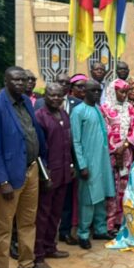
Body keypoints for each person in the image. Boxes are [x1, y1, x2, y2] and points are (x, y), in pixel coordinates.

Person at [0, 66, 50, 268]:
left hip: (31, 170)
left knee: (28, 222)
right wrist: (2, 181)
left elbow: (33, 133)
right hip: (9, 178)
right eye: (16, 80)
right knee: (4, 227)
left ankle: (26, 265)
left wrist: (42, 163)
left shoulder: (26, 101)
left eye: (23, 79)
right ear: (5, 81)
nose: (21, 83)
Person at [70, 80, 116, 249]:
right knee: (88, 198)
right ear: (85, 92)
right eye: (93, 91)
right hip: (88, 162)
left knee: (101, 195)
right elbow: (75, 140)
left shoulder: (97, 109)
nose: (96, 93)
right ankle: (83, 233)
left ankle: (100, 229)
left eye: (99, 91)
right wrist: (82, 165)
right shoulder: (78, 111)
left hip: (102, 160)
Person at [33, 83, 73, 268]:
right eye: (52, 95)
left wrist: (71, 166)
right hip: (48, 174)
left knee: (56, 213)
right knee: (43, 215)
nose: (56, 98)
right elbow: (39, 150)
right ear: (45, 96)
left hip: (63, 172)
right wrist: (44, 175)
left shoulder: (63, 114)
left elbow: (67, 143)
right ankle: (38, 254)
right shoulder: (40, 117)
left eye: (59, 96)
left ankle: (50, 246)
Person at [101, 79, 134, 234]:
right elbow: (104, 131)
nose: (125, 95)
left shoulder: (130, 108)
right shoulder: (104, 108)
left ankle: (120, 221)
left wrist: (124, 146)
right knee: (110, 187)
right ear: (113, 91)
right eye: (122, 92)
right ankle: (107, 224)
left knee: (124, 187)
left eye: (126, 92)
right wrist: (114, 149)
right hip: (108, 155)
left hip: (126, 154)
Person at [57, 73, 87, 246]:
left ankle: (65, 231)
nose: (63, 85)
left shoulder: (78, 104)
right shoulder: (41, 104)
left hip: (71, 157)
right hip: (52, 158)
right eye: (60, 82)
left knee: (67, 197)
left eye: (66, 83)